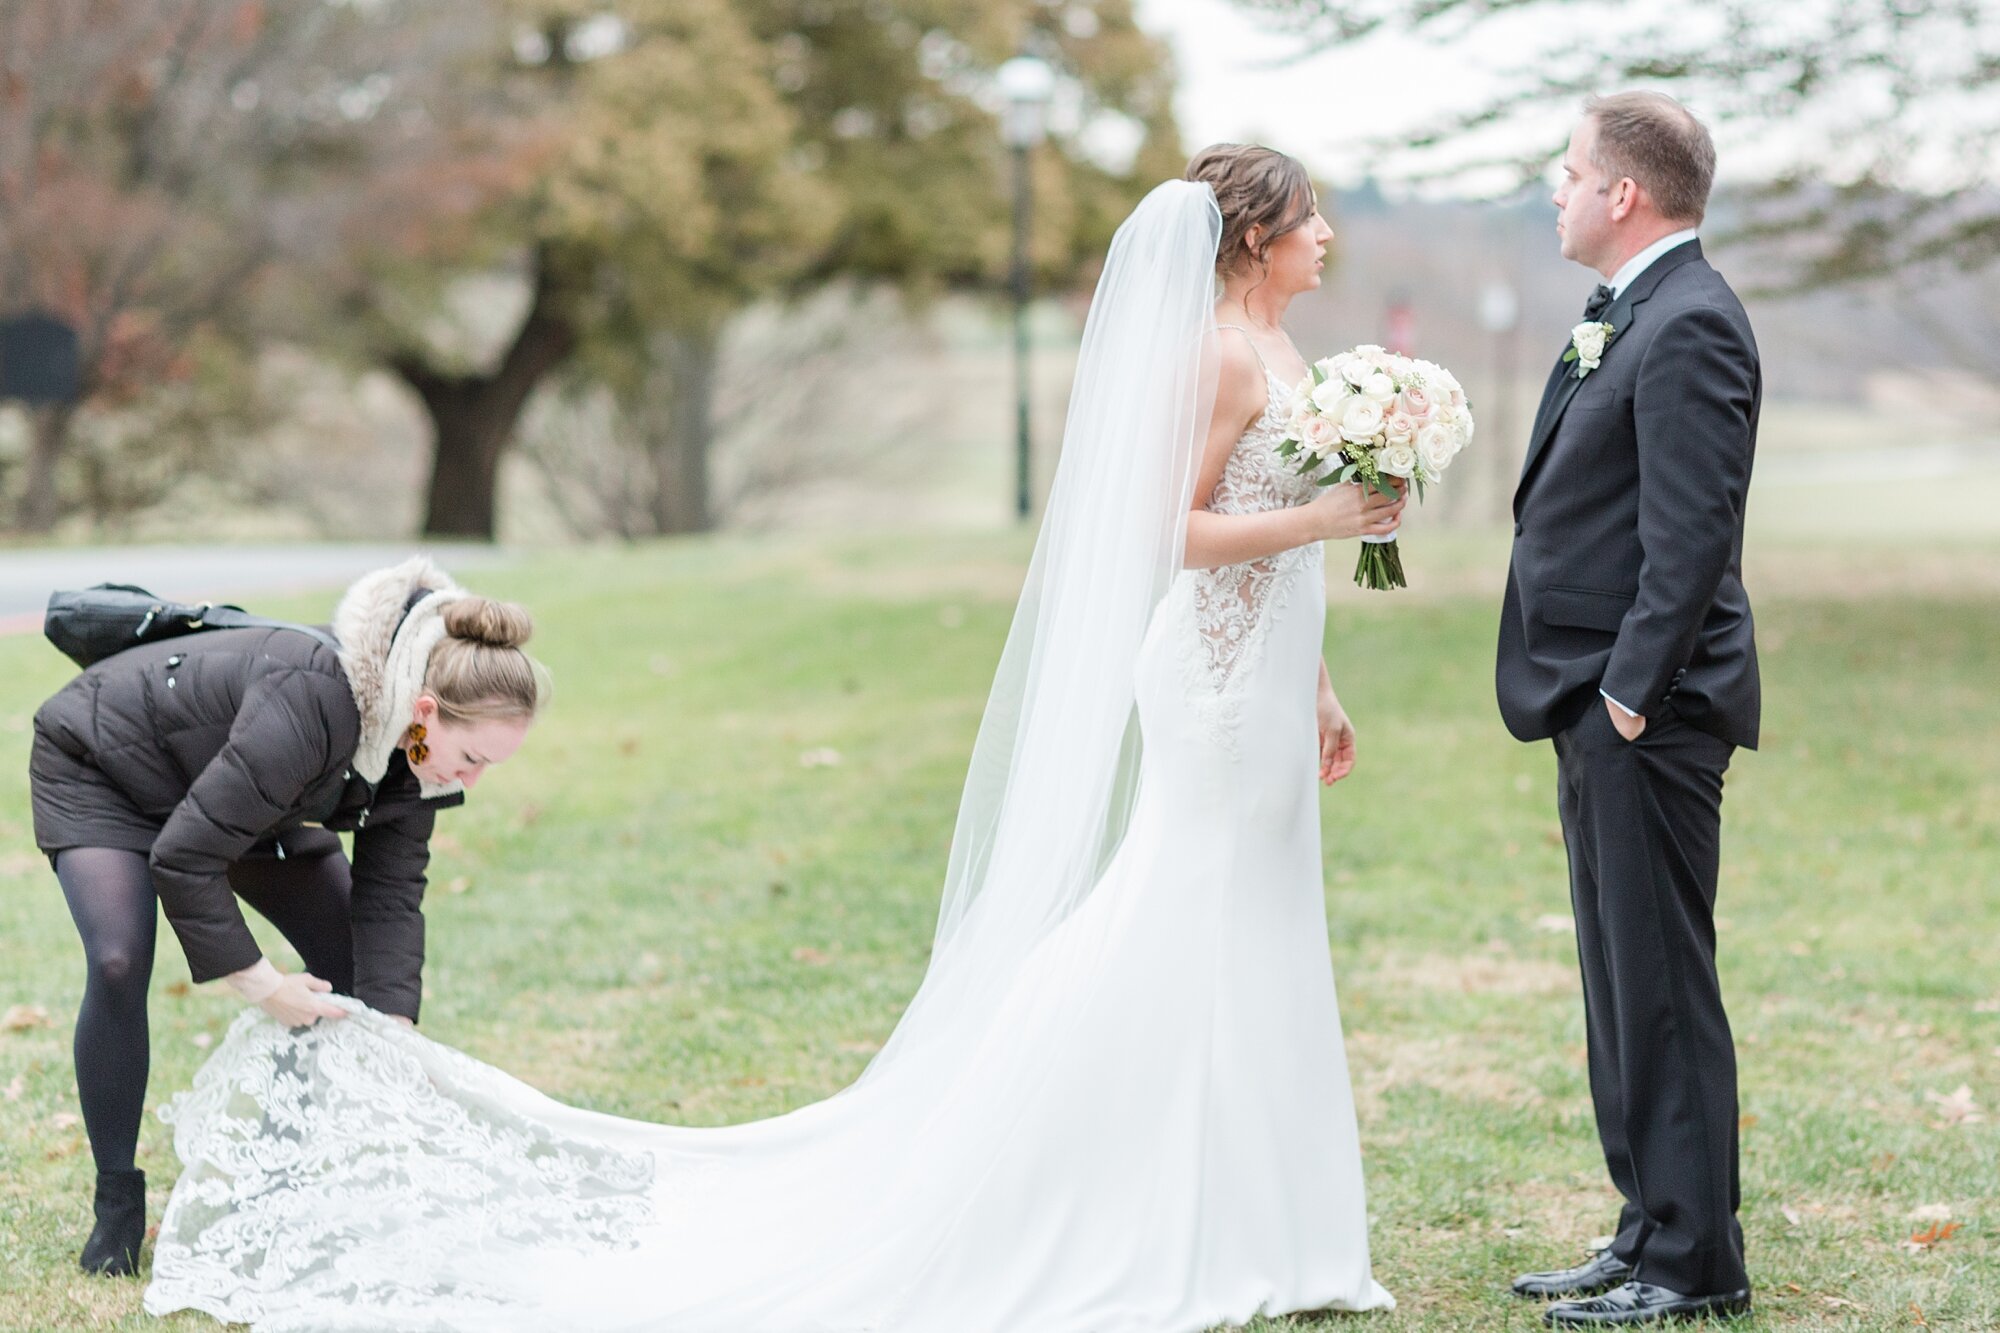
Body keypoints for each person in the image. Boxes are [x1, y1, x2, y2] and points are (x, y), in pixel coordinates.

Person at [140, 149, 1405, 1332]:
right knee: (1183, 913)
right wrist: (1323, 527)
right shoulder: (1218, 360)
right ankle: (1107, 1185)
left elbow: (1278, 553)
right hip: (1209, 696)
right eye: (1309, 221)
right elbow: (1158, 536)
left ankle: (1267, 1219)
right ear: (1253, 237)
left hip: (1269, 678)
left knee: (1257, 921)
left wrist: (1320, 682)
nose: (1327, 237)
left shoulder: (1282, 346)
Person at [31, 557, 546, 1277]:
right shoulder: (317, 697)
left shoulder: (419, 755)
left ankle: (268, 1182)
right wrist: (261, 981)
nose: (472, 779)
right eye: (473, 757)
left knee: (356, 969)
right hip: (106, 762)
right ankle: (118, 1202)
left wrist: (390, 1031)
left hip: (238, 793)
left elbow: (391, 896)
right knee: (119, 956)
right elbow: (184, 856)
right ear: (426, 712)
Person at [1497, 91, 1760, 1327]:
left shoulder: (1692, 322)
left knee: (1658, 982)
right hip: (1592, 700)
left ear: (1623, 195)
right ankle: (1642, 1226)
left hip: (1640, 709)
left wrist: (1625, 698)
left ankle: (1692, 1262)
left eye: (1567, 172)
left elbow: (1693, 536)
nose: (1554, 189)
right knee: (1617, 976)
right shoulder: (1628, 312)